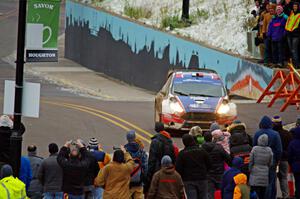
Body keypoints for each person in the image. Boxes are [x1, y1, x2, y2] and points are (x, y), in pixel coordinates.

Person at [253, 116, 282, 199]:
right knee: (271, 182)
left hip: (259, 162)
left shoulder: (257, 133)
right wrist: (277, 160)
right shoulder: (275, 134)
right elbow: (279, 150)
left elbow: (254, 147)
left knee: (261, 182)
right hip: (272, 161)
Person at [176, 134, 211, 199]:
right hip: (202, 178)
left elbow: (178, 168)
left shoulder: (182, 154)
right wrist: (205, 172)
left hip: (188, 180)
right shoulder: (202, 151)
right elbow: (209, 163)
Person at [145, 122, 176, 193]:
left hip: (157, 171)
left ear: (156, 129)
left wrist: (149, 177)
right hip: (168, 171)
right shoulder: (169, 140)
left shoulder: (155, 141)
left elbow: (152, 160)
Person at [202, 132, 231, 199]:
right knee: (222, 192)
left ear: (204, 139)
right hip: (219, 173)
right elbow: (228, 158)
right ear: (212, 138)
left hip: (208, 174)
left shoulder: (201, 149)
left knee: (210, 194)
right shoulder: (219, 147)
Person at [272, 116, 292, 199]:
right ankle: (286, 195)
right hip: (284, 159)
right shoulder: (287, 133)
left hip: (275, 160)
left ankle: (274, 195)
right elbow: (290, 147)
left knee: (273, 178)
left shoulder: (272, 134)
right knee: (283, 178)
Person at [124, 130, 148, 199]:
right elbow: (145, 167)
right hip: (139, 182)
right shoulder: (141, 151)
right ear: (135, 138)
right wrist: (143, 179)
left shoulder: (124, 151)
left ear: (127, 139)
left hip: (127, 183)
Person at [249, 134, 273, 199]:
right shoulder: (269, 150)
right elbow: (270, 163)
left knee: (254, 193)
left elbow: (251, 161)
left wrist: (250, 169)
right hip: (264, 174)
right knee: (263, 194)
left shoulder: (254, 149)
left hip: (254, 173)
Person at [285, 2, 300, 68]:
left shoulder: (299, 15)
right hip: (289, 34)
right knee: (291, 50)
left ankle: (297, 64)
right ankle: (293, 64)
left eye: (296, 6)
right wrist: (287, 30)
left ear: (298, 7)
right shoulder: (291, 14)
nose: (295, 7)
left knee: (294, 50)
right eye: (294, 6)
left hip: (295, 35)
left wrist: (296, 30)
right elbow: (288, 22)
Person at [288, 125, 300, 198]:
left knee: (297, 182)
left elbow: (290, 156)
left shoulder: (292, 143)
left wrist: (291, 164)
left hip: (296, 166)